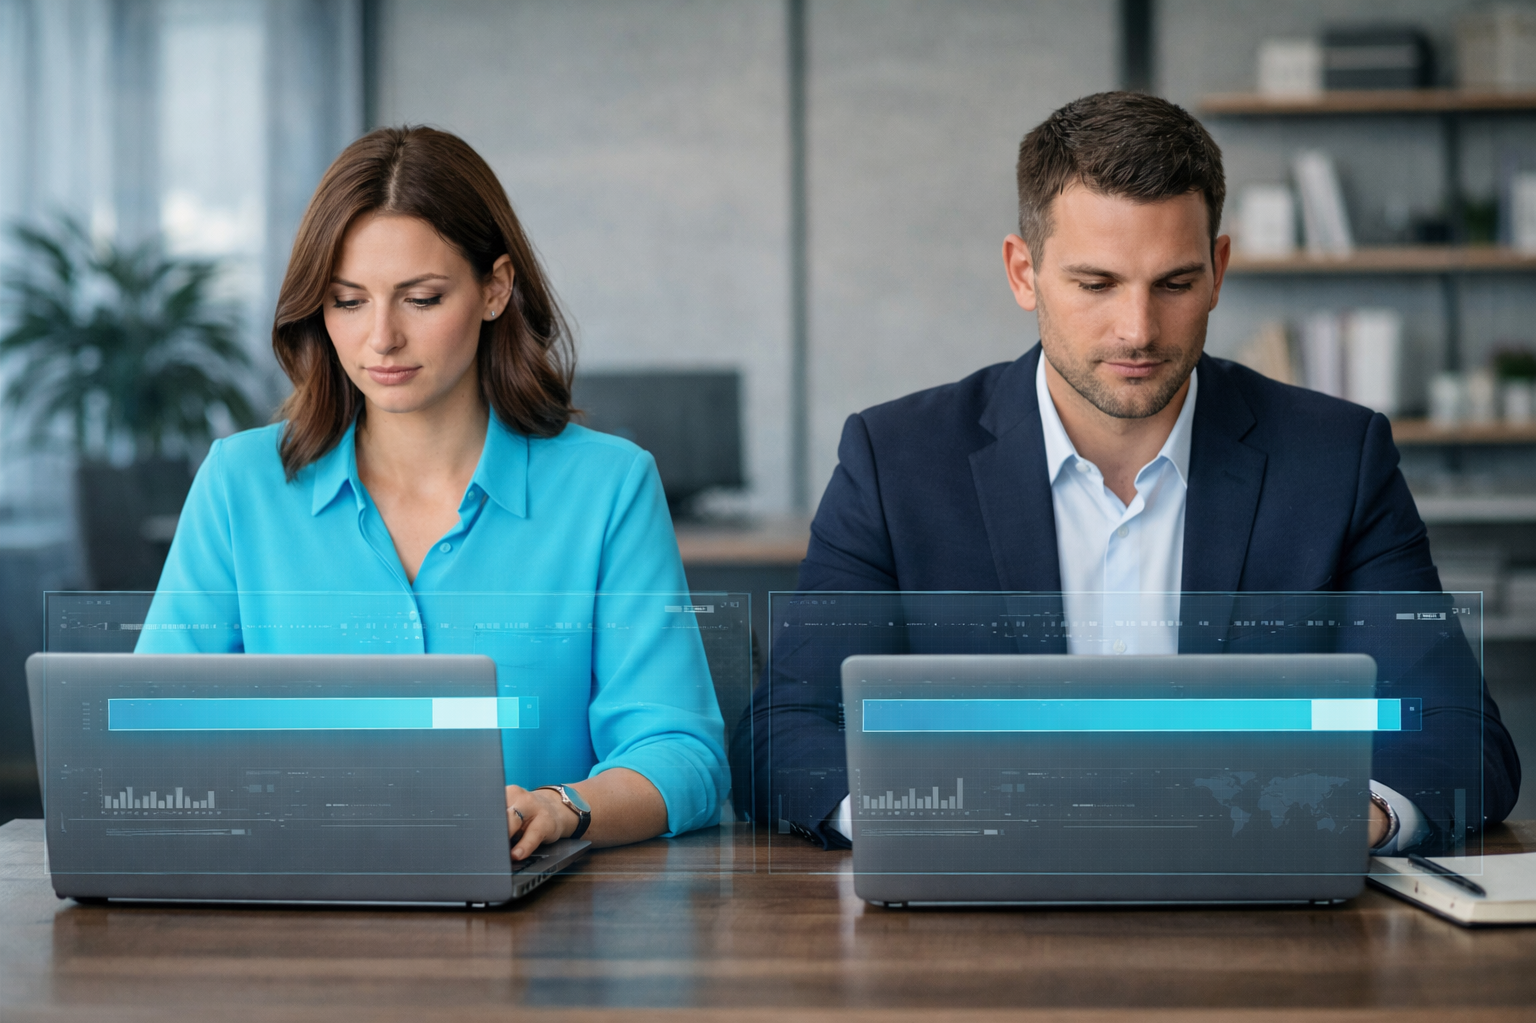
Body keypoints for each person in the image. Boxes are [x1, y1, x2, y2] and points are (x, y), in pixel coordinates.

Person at [734, 91, 1519, 852]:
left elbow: (1453, 729)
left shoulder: (1338, 458)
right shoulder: (895, 459)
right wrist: (933, 819)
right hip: (979, 908)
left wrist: (1346, 818)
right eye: (1096, 283)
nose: (1137, 330)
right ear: (1022, 272)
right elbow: (784, 732)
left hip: (1256, 909)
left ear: (1218, 269)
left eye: (1174, 283)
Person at [139, 126, 729, 860]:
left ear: (495, 288)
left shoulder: (609, 486)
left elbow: (682, 754)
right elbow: (153, 734)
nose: (380, 338)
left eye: (420, 298)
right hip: (292, 918)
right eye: (347, 301)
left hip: (539, 929)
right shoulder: (240, 484)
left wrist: (562, 806)